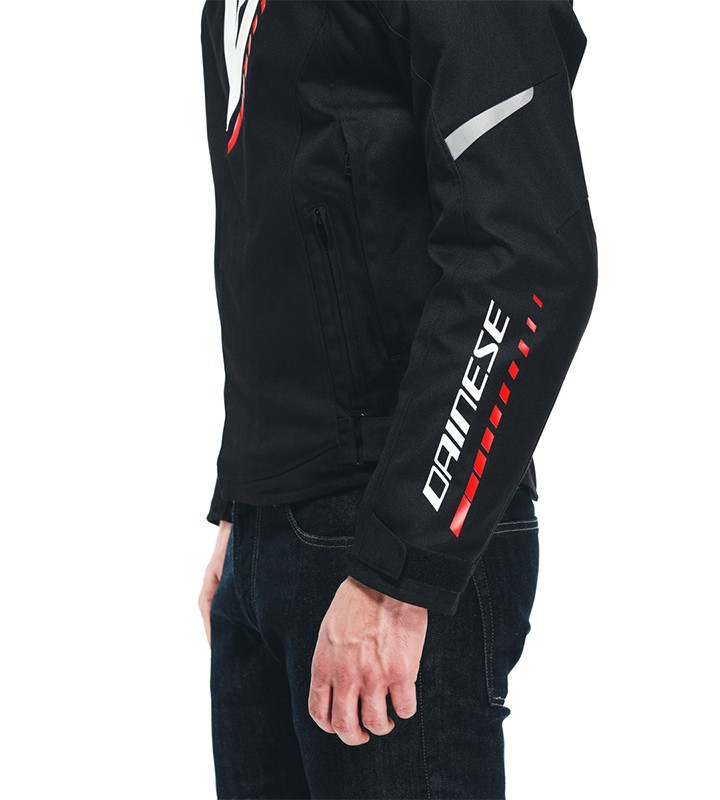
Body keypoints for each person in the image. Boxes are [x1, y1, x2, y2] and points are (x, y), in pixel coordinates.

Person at [197, 1, 597, 797]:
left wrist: (400, 568)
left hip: (393, 533)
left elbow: (527, 255)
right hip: (272, 532)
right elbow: (287, 229)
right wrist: (243, 503)